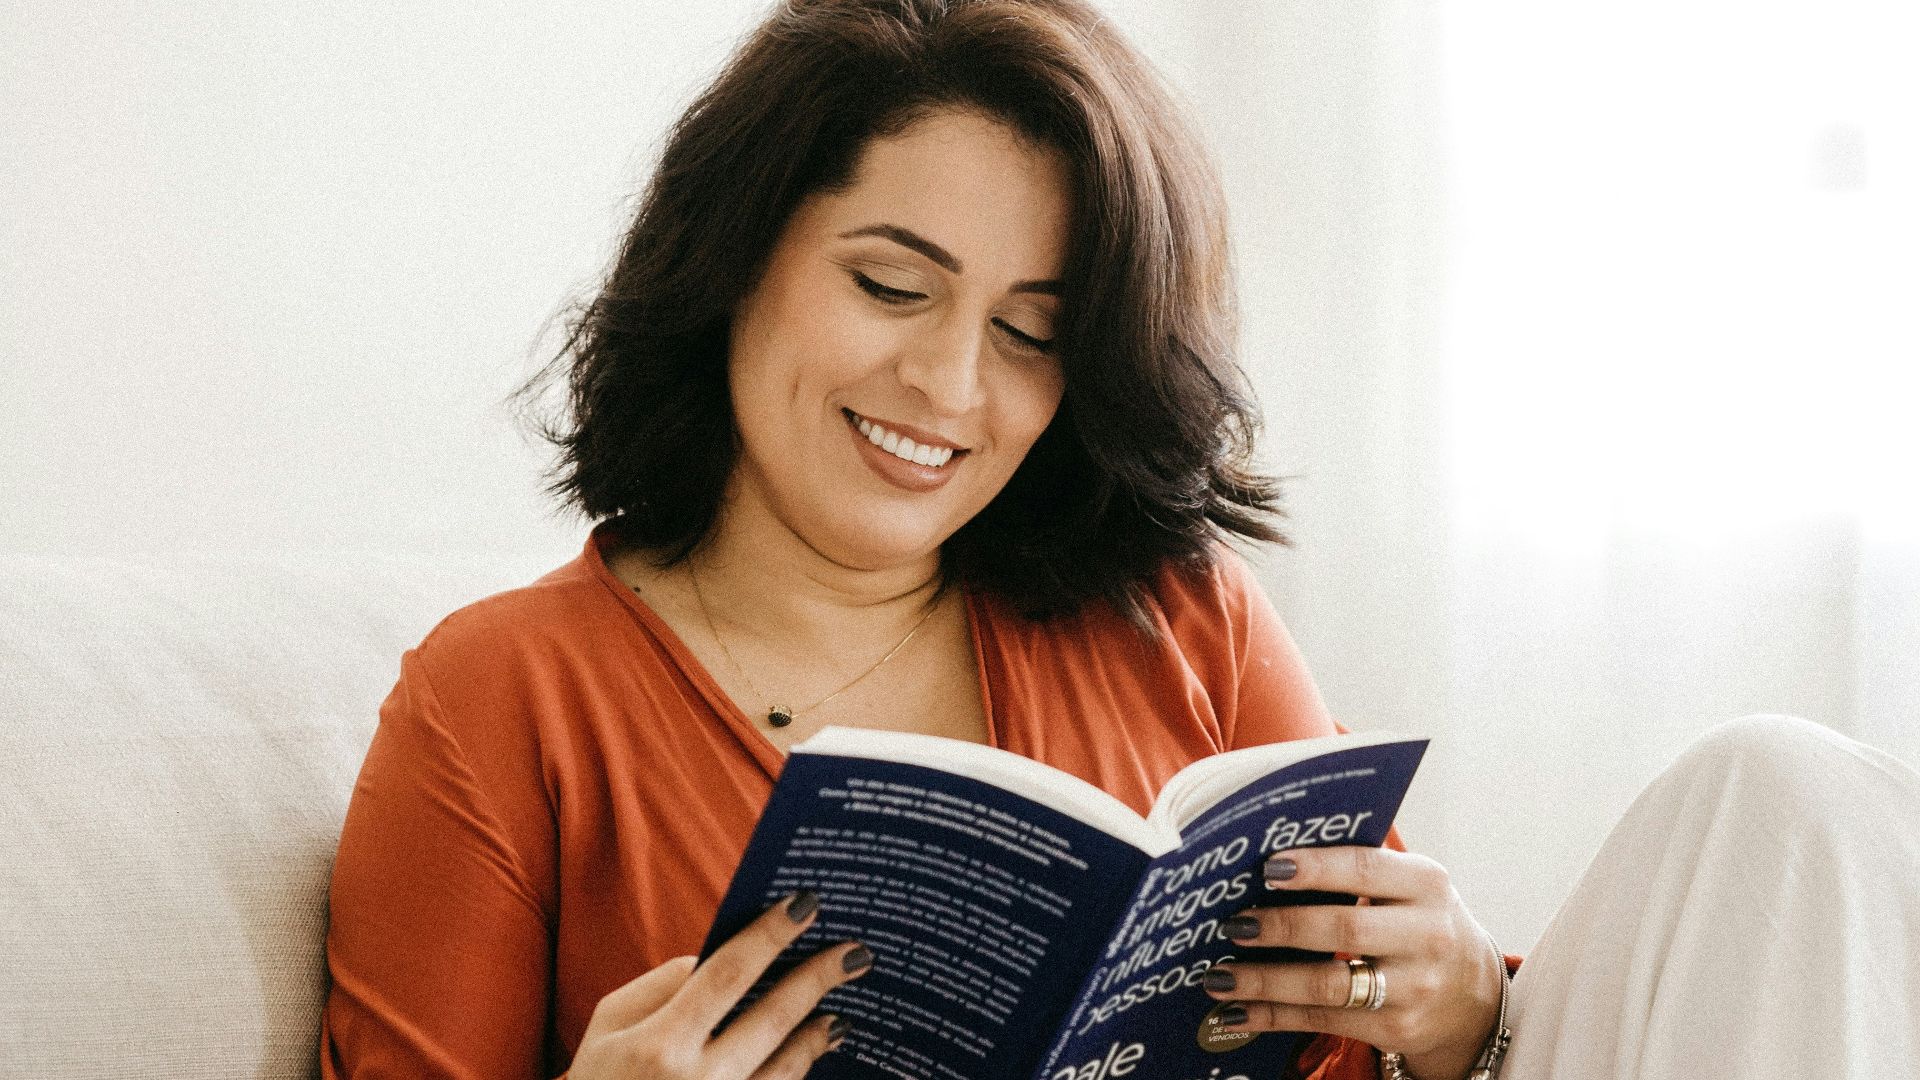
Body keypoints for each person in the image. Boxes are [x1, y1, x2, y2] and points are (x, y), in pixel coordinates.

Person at [319, 1, 1920, 1078]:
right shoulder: (501, 698)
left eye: (1032, 332)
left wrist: (1452, 1012)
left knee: (1786, 794)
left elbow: (1382, 1023)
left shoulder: (1177, 613)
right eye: (891, 285)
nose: (950, 385)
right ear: (734, 259)